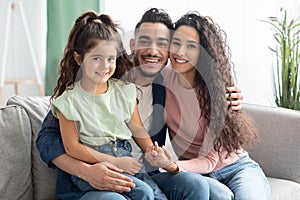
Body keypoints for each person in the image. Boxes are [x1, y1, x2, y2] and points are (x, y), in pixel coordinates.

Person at [36, 8, 243, 199]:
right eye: (146, 41)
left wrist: (228, 96)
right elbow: (46, 138)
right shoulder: (106, 74)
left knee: (200, 186)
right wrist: (86, 171)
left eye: (162, 43)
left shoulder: (167, 84)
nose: (153, 50)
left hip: (144, 173)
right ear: (133, 44)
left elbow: (201, 83)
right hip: (93, 176)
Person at [146, 11, 271, 199]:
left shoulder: (216, 89)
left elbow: (211, 161)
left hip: (237, 167)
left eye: (191, 46)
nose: (180, 52)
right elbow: (138, 58)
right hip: (197, 173)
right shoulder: (162, 77)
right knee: (221, 196)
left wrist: (171, 165)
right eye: (176, 43)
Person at [47, 10, 167, 200]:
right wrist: (113, 161)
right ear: (78, 59)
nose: (105, 65)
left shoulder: (124, 91)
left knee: (156, 195)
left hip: (126, 160)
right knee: (143, 193)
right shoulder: (68, 101)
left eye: (110, 59)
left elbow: (139, 132)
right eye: (97, 58)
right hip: (95, 165)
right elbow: (72, 148)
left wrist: (153, 152)